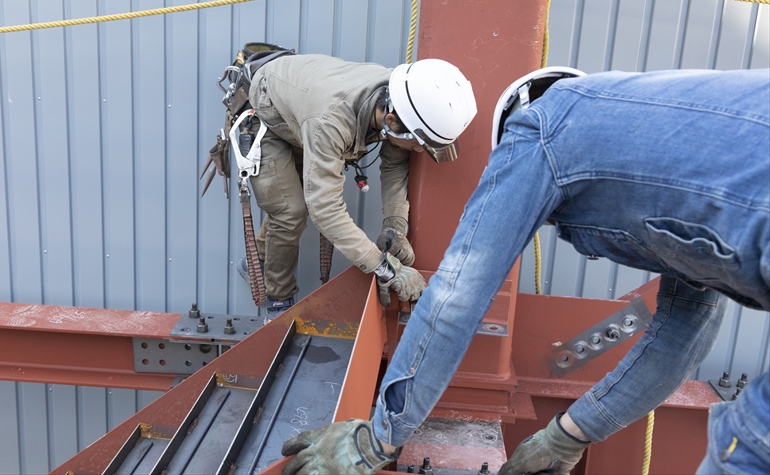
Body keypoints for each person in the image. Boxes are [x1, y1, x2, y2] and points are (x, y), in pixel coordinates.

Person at [278, 67, 770, 474]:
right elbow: (683, 335)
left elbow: (457, 294)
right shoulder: (671, 147)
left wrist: (377, 441)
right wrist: (569, 435)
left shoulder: (538, 131)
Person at [242, 54, 477, 321]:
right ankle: (278, 301)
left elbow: (395, 166)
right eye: (417, 145)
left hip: (305, 106)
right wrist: (386, 269)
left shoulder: (403, 98)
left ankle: (262, 261)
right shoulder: (331, 122)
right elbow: (325, 209)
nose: (419, 152)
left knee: (291, 199)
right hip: (270, 108)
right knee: (290, 211)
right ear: (390, 122)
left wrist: (395, 226)